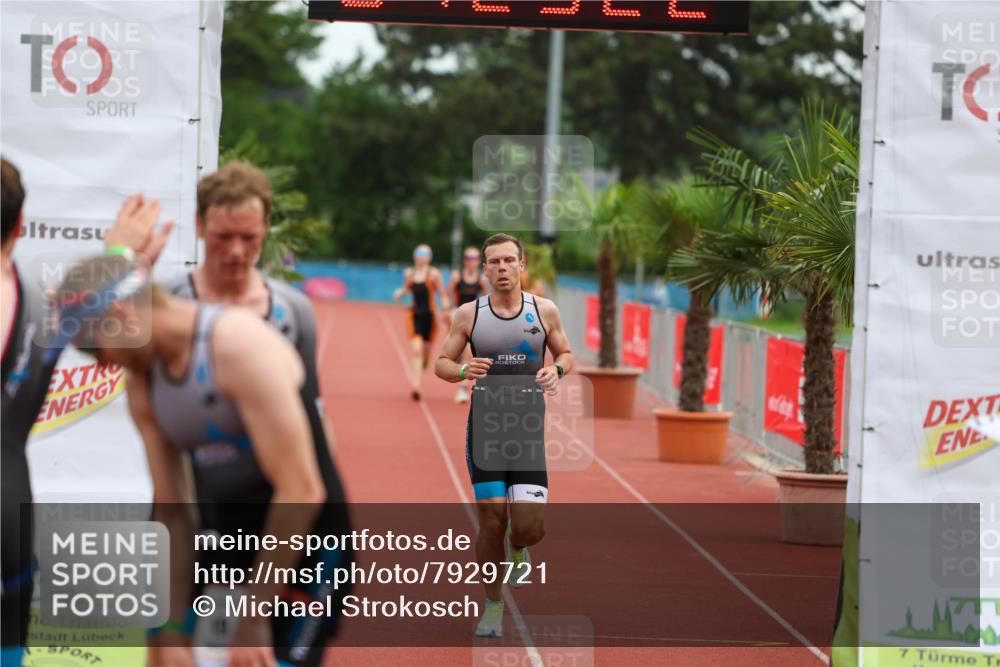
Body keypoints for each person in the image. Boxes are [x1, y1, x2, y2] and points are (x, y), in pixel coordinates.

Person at [51, 254, 350, 667]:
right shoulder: (142, 381)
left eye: (90, 346)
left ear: (120, 316)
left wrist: (255, 615)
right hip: (231, 534)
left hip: (308, 542)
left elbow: (301, 489)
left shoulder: (237, 345)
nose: (97, 362)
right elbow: (175, 512)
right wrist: (170, 629)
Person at [1, 157, 171, 667]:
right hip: (10, 521)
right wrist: (124, 256)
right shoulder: (38, 304)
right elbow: (94, 310)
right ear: (21, 226)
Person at [434, 233, 573, 638]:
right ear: (485, 269)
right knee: (492, 522)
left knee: (528, 527)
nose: (501, 268)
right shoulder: (469, 315)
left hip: (528, 431)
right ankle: (492, 606)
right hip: (486, 431)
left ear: (521, 265)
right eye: (494, 262)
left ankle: (521, 548)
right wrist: (462, 370)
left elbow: (566, 353)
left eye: (509, 261)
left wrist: (557, 370)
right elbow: (441, 362)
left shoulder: (544, 311)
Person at [165, 162, 331, 453]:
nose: (236, 251)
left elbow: (310, 415)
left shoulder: (294, 311)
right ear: (200, 225)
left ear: (265, 228)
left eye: (249, 237)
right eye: (224, 237)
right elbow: (97, 343)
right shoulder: (170, 302)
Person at [393, 244, 450, 400]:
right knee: (416, 350)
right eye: (419, 253)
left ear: (430, 257)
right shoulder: (409, 273)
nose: (422, 256)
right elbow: (407, 288)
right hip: (414, 316)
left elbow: (442, 294)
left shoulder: (434, 274)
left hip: (430, 318)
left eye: (425, 254)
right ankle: (416, 386)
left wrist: (445, 305)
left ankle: (424, 363)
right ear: (415, 256)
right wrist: (400, 293)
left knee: (425, 353)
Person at [447, 246, 490, 404]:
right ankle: (460, 368)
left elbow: (486, 298)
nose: (471, 261)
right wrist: (449, 309)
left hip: (472, 318)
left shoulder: (481, 279)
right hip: (458, 317)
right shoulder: (457, 277)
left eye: (475, 258)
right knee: (457, 352)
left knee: (468, 353)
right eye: (468, 258)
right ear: (464, 261)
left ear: (479, 261)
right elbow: (449, 293)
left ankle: (463, 388)